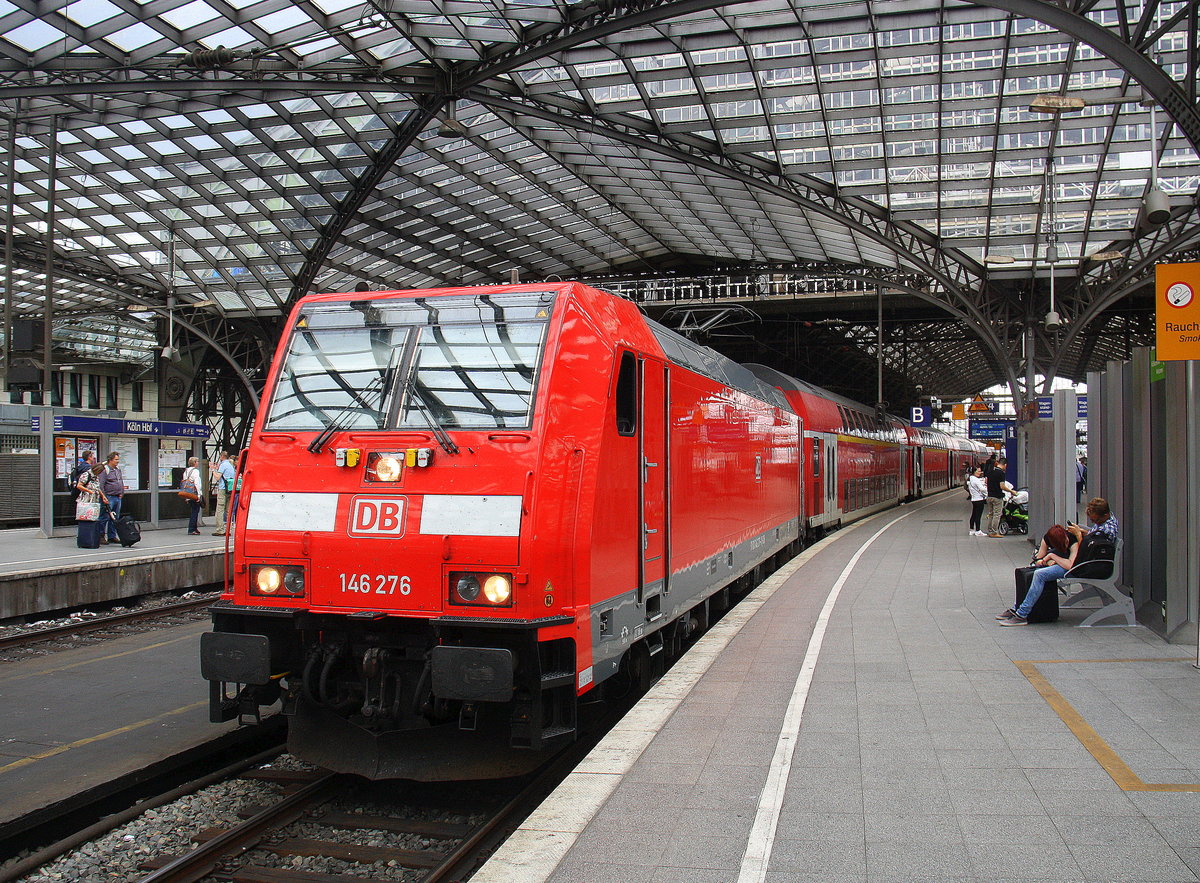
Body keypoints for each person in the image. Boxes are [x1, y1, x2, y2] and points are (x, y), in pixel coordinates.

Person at [997, 497, 1119, 626]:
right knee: (1037, 571)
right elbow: (1094, 538)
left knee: (1040, 574)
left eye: (1095, 519)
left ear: (1104, 515)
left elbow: (1086, 549)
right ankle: (1018, 607)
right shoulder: (1106, 521)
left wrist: (1078, 535)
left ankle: (1022, 613)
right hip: (1083, 562)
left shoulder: (1106, 530)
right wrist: (1084, 532)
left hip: (1085, 566)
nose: (1093, 521)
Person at [98, 452, 126, 545]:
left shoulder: (118, 470)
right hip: (109, 497)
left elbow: (120, 481)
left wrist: (121, 492)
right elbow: (101, 485)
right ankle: (101, 536)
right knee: (104, 516)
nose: (118, 461)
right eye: (116, 459)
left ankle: (112, 536)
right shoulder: (105, 470)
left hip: (117, 497)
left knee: (115, 518)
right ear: (110, 460)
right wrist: (104, 496)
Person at [984, 457, 1010, 537]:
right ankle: (994, 532)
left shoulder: (990, 471)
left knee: (991, 514)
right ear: (1005, 465)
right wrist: (1011, 491)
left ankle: (990, 531)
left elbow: (986, 482)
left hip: (989, 496)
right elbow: (1002, 486)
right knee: (997, 514)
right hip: (997, 497)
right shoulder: (1001, 473)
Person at [212, 450, 236, 536]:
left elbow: (218, 478)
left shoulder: (223, 465)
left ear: (222, 457)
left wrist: (213, 470)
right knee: (229, 510)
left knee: (220, 509)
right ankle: (228, 529)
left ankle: (220, 530)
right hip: (230, 489)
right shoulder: (231, 465)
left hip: (223, 489)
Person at [182, 456, 203, 535]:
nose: (198, 463)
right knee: (195, 511)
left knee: (193, 510)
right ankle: (192, 529)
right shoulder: (196, 471)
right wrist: (199, 495)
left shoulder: (186, 471)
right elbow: (197, 483)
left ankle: (194, 528)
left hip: (188, 493)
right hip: (194, 493)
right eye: (197, 461)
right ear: (194, 463)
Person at [966, 466, 987, 536]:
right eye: (978, 471)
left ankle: (971, 529)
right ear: (974, 472)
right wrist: (987, 490)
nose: (980, 473)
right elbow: (982, 489)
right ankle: (978, 530)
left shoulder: (970, 479)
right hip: (979, 499)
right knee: (978, 515)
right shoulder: (976, 480)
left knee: (974, 515)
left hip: (974, 499)